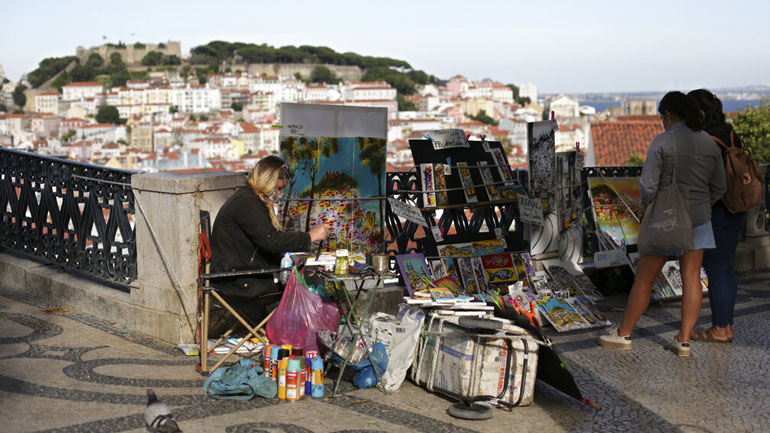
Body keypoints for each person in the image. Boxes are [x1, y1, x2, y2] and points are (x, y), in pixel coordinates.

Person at [598, 91, 726, 357]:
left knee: (645, 279)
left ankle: (624, 333)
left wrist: (651, 207)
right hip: (700, 218)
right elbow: (719, 187)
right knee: (692, 278)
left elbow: (647, 186)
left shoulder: (663, 141)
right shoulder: (709, 142)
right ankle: (683, 340)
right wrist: (702, 205)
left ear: (667, 114)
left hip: (667, 218)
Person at [208, 155, 330, 334]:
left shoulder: (248, 198)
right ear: (267, 181)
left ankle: (293, 336)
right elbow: (271, 240)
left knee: (302, 277)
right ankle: (301, 338)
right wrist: (310, 236)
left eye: (282, 189)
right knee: (308, 284)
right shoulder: (247, 203)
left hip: (238, 275)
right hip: (238, 282)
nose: (279, 194)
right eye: (278, 188)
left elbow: (267, 240)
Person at [688, 89, 746, 343]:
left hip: (718, 210)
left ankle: (721, 328)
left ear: (699, 113)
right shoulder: (731, 133)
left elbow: (705, 182)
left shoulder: (705, 141)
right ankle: (726, 324)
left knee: (715, 269)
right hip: (738, 206)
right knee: (726, 269)